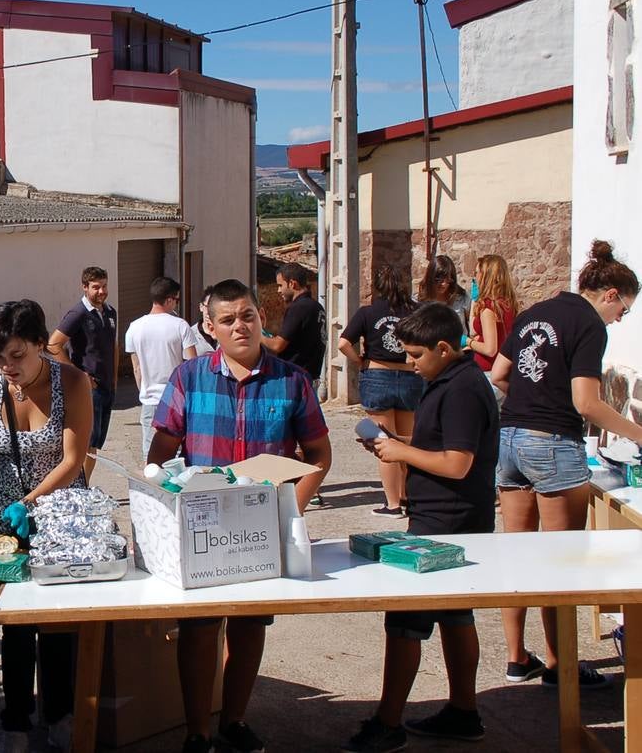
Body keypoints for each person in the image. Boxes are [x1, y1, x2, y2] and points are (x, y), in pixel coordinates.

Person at [148, 279, 331, 753]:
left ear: (261, 317)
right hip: (202, 527)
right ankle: (197, 731)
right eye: (227, 319)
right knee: (200, 628)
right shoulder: (188, 379)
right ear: (209, 327)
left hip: (262, 529)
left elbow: (318, 454)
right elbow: (162, 453)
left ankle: (234, 721)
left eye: (247, 315)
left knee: (250, 625)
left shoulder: (292, 380)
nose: (240, 326)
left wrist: (291, 511)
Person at [344, 303, 499, 752]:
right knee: (455, 615)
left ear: (444, 348)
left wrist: (401, 455)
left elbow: (457, 462)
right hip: (446, 515)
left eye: (415, 355)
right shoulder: (446, 381)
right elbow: (442, 443)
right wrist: (400, 444)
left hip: (448, 520)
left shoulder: (463, 389)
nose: (408, 363)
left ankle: (389, 722)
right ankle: (463, 712)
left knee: (406, 621)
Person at [492, 240, 642, 690]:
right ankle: (560, 665)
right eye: (624, 310)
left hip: (510, 438)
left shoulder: (534, 312)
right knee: (561, 563)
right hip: (552, 442)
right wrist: (638, 434)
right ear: (610, 294)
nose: (620, 319)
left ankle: (517, 657)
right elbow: (587, 403)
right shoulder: (590, 325)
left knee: (517, 555)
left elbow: (500, 374)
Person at [0, 300, 92, 753]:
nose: (7, 366)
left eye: (16, 355)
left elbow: (73, 460)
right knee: (12, 622)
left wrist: (31, 502)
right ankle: (15, 721)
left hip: (58, 511)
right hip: (2, 515)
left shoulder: (72, 382)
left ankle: (59, 714)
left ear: (39, 344)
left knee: (56, 621)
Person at [339, 265, 423, 517]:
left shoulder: (368, 312)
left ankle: (392, 504)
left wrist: (358, 360)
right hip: (409, 376)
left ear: (376, 285)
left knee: (384, 441)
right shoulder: (416, 311)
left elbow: (343, 343)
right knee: (407, 442)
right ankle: (408, 497)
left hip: (377, 374)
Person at [47, 266, 117, 480]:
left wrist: (114, 379)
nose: (101, 291)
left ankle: (84, 483)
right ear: (85, 287)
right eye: (96, 287)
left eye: (104, 286)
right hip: (89, 389)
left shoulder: (109, 312)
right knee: (86, 443)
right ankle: (80, 485)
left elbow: (113, 346)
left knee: (96, 442)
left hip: (106, 387)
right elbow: (53, 345)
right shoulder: (78, 314)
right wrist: (79, 375)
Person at [124, 278, 195, 456]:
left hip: (149, 400)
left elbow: (137, 368)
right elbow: (192, 364)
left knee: (151, 456)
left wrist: (144, 391)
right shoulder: (180, 326)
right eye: (176, 300)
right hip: (177, 399)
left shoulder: (134, 327)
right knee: (178, 456)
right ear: (169, 299)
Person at [263, 262, 326, 384]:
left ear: (292, 284)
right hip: (311, 376)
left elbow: (278, 345)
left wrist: (257, 336)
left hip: (295, 378)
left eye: (281, 285)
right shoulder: (317, 306)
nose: (278, 290)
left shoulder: (299, 308)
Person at [467, 254, 518, 380]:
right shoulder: (507, 303)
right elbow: (475, 332)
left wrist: (467, 341)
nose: (475, 277)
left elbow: (490, 349)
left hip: (489, 371)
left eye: (478, 272)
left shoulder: (489, 307)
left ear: (486, 276)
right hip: (505, 369)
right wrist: (475, 301)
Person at [420, 255, 471, 334]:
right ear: (431, 278)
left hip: (459, 345)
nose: (443, 284)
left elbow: (472, 323)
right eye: (439, 279)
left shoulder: (462, 298)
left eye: (447, 279)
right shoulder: (419, 301)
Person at [188, 287, 217, 357]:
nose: (210, 311)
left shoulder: (227, 332)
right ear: (201, 307)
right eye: (208, 306)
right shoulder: (190, 334)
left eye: (214, 307)